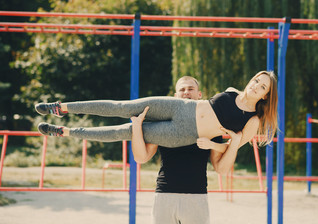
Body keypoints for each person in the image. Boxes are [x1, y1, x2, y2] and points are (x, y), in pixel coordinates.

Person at [35, 70, 278, 152]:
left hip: (184, 133)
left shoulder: (253, 120)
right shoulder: (232, 90)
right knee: (122, 106)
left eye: (262, 86)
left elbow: (232, 146)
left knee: (126, 131)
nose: (256, 85)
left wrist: (213, 145)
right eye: (257, 80)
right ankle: (61, 107)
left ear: (266, 95)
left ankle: (65, 132)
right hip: (181, 106)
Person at [131, 76, 224, 224]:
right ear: (175, 96)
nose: (186, 92)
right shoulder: (164, 122)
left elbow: (219, 165)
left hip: (197, 196)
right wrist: (136, 126)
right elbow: (141, 158)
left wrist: (219, 143)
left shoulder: (211, 125)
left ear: (199, 94)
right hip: (165, 194)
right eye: (182, 89)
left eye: (190, 89)